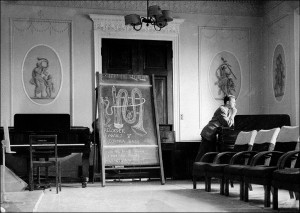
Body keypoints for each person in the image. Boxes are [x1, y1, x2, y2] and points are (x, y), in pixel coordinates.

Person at [195, 95, 237, 162]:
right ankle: (196, 170)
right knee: (202, 156)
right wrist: (233, 115)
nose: (235, 104)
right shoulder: (222, 109)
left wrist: (232, 114)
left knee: (209, 156)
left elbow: (231, 125)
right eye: (233, 102)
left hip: (213, 135)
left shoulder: (228, 110)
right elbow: (227, 124)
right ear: (228, 102)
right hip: (208, 133)